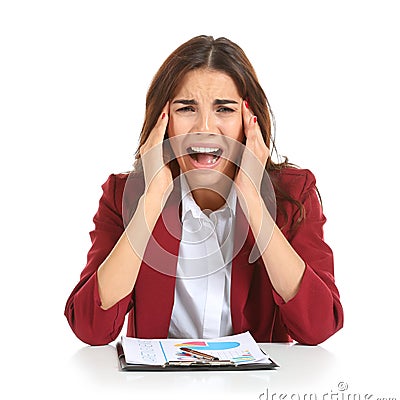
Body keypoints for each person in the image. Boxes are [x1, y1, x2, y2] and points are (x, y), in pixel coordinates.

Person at [64, 35, 343, 346]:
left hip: (256, 391)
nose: (205, 128)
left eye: (224, 109)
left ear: (249, 121)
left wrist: (252, 198)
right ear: (163, 121)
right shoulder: (123, 196)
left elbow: (318, 327)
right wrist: (152, 198)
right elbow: (91, 327)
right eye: (186, 109)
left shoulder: (294, 193)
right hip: (153, 393)